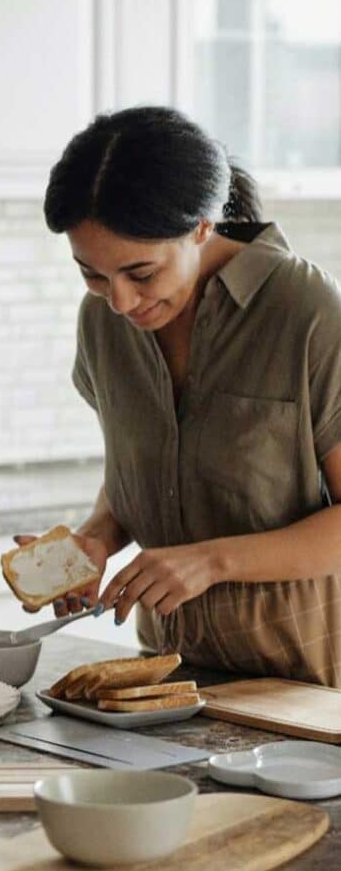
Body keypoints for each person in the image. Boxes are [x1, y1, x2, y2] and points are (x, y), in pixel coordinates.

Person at [37, 104, 341, 686]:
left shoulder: (306, 311)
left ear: (203, 227)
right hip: (169, 679)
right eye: (92, 275)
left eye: (141, 273)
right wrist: (95, 540)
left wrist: (211, 561)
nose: (120, 302)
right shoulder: (101, 323)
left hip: (308, 685)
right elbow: (142, 472)